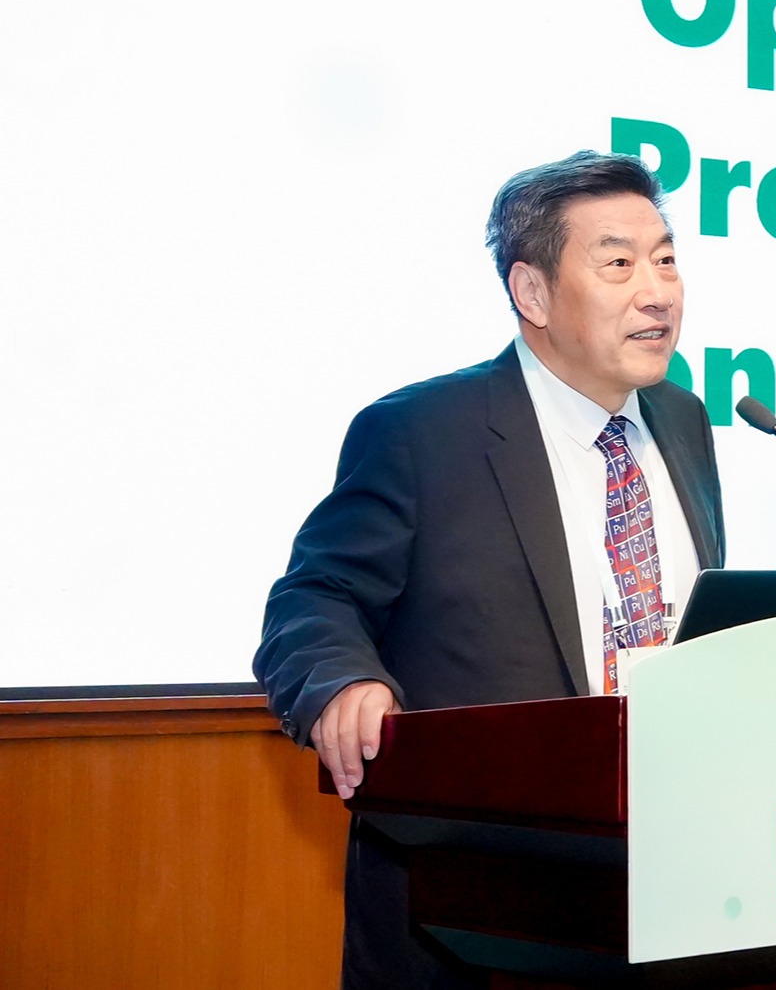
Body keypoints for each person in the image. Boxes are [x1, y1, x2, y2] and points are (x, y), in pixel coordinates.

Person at [253, 151, 725, 989]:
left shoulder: (684, 421)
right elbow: (317, 595)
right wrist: (341, 682)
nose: (658, 292)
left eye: (665, 259)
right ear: (532, 292)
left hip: (660, 893)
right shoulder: (423, 431)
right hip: (470, 908)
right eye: (619, 264)